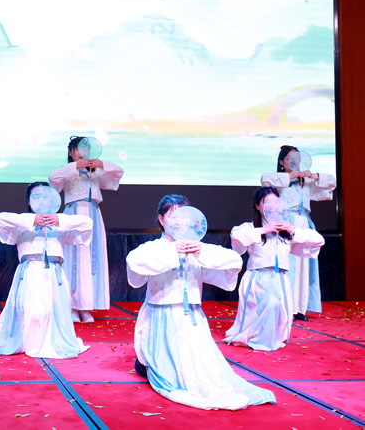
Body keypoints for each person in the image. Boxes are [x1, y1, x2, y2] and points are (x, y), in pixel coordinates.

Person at [127, 194, 276, 410]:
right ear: (161, 219)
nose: (178, 222)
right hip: (161, 316)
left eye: (183, 217)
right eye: (172, 216)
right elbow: (135, 262)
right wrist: (174, 250)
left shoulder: (199, 248)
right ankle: (149, 364)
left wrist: (201, 251)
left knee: (203, 370)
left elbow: (234, 261)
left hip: (191, 318)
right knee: (167, 370)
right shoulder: (154, 248)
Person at [0, 182, 92, 359]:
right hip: (31, 272)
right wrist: (32, 221)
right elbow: (0, 219)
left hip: (54, 273)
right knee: (34, 312)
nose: (41, 200)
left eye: (45, 196)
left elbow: (87, 224)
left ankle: (50, 343)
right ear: (29, 201)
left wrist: (59, 220)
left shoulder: (61, 226)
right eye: (36, 196)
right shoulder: (22, 224)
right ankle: (29, 342)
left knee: (52, 312)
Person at [224, 187, 324, 351]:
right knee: (268, 304)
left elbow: (318, 240)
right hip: (258, 278)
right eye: (266, 202)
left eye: (275, 202)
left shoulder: (286, 231)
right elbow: (237, 238)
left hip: (280, 278)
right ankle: (255, 338)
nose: (272, 206)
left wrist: (292, 230)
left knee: (279, 309)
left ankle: (270, 339)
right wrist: (265, 229)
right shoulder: (251, 227)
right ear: (258, 206)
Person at [49, 136, 124, 323]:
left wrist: (100, 164)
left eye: (86, 149)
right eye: (79, 149)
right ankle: (71, 306)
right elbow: (53, 179)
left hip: (93, 215)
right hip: (73, 214)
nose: (83, 153)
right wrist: (76, 166)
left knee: (91, 258)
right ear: (71, 152)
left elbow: (118, 172)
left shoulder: (96, 172)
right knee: (73, 259)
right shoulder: (67, 171)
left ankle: (87, 307)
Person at [261, 145, 336, 321]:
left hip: (304, 223)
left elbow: (331, 183)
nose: (295, 162)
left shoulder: (306, 182)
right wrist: (290, 176)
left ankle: (299, 307)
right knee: (289, 265)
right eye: (290, 159)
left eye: (297, 159)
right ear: (281, 162)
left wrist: (314, 176)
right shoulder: (279, 180)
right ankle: (286, 307)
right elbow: (265, 179)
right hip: (286, 223)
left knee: (304, 266)